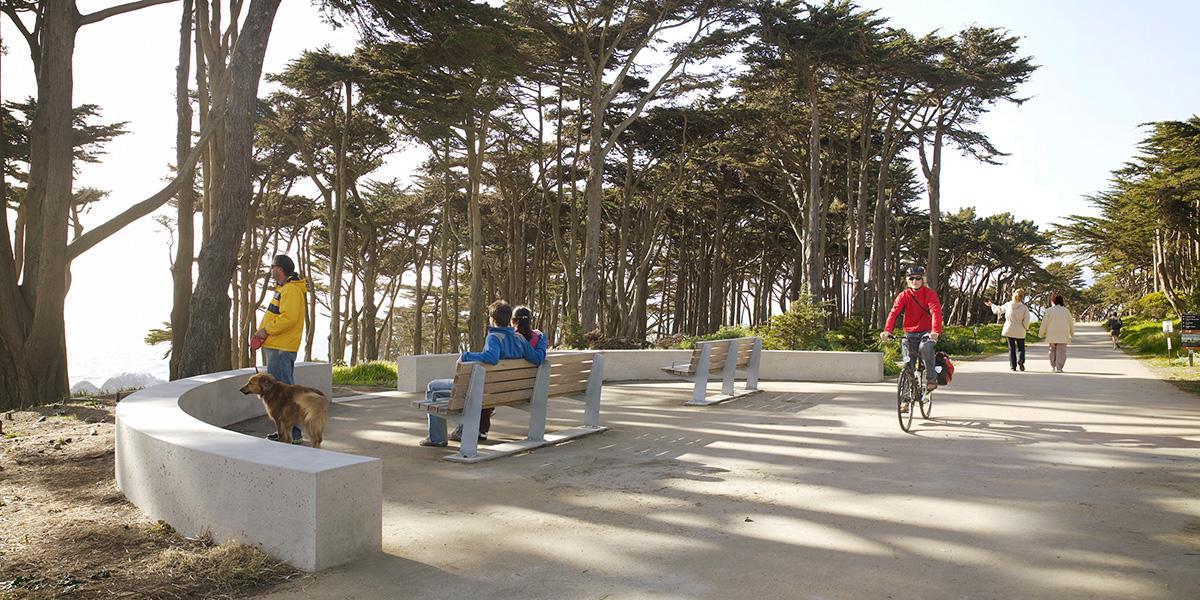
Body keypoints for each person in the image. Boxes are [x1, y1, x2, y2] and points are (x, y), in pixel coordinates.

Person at [421, 300, 546, 447]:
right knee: (463, 386)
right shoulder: (519, 339)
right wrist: (542, 338)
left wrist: (466, 356)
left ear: (492, 320)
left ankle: (437, 438)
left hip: (485, 392)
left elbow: (491, 358)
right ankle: (458, 431)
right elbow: (538, 358)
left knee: (432, 387)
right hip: (508, 390)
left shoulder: (494, 337)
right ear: (508, 320)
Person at [254, 255, 308, 443]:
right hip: (277, 346)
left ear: (280, 269)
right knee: (281, 393)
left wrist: (265, 330)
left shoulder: (291, 290)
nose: (270, 270)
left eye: (272, 266)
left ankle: (292, 434)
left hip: (281, 347)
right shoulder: (284, 289)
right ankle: (287, 432)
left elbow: (289, 318)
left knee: (283, 394)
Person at [880, 265, 943, 411]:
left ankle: (931, 379)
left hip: (926, 331)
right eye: (911, 278)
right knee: (908, 365)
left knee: (925, 347)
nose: (915, 281)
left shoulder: (929, 294)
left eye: (918, 278)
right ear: (908, 280)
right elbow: (894, 312)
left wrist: (935, 331)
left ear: (923, 280)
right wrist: (887, 330)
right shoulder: (904, 295)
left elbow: (935, 312)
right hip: (909, 333)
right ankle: (905, 401)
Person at [985, 288, 1032, 372]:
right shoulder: (1024, 308)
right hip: (1020, 330)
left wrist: (992, 305)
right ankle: (1021, 361)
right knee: (1021, 348)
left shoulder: (1008, 304)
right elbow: (1026, 320)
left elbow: (998, 310)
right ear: (1022, 297)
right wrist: (1026, 328)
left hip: (1009, 329)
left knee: (1011, 349)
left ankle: (1012, 367)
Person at [1039, 293, 1075, 373]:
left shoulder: (1049, 311)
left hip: (1052, 334)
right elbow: (1070, 323)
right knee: (1061, 352)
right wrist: (1072, 333)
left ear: (1053, 301)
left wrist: (1041, 333)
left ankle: (1053, 366)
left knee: (1052, 350)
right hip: (1063, 334)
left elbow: (1044, 323)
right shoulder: (1066, 311)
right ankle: (1059, 368)